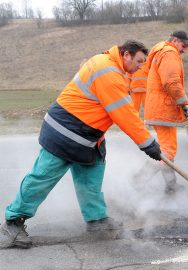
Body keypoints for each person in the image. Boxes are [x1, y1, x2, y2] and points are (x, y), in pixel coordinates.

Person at [0, 40, 162, 249]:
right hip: (65, 131)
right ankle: (13, 221)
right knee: (42, 177)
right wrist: (149, 144)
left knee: (91, 177)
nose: (140, 66)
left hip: (87, 136)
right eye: (139, 61)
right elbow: (125, 115)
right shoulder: (109, 72)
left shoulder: (109, 65)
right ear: (126, 55)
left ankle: (96, 220)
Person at [133, 30, 188, 194]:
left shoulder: (162, 51)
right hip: (163, 109)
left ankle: (171, 185)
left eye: (187, 46)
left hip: (159, 108)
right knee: (167, 151)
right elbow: (171, 82)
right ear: (174, 40)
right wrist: (184, 103)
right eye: (183, 44)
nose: (185, 48)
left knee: (166, 149)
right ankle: (140, 179)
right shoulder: (169, 53)